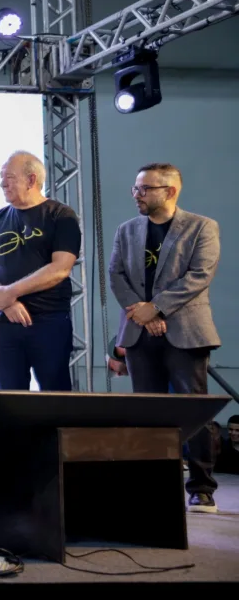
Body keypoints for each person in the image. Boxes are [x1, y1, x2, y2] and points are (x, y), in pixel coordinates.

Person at [109, 162, 222, 513]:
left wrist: (156, 309)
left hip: (186, 331)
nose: (137, 195)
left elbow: (199, 275)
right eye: (135, 188)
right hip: (139, 332)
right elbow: (116, 275)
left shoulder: (202, 227)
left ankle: (201, 487)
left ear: (170, 191)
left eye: (145, 189)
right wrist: (141, 313)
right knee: (148, 411)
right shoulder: (127, 230)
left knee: (193, 410)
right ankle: (154, 483)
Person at [0, 150, 80, 391]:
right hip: (4, 321)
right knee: (10, 397)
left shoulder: (60, 215)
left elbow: (61, 268)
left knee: (56, 397)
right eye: (2, 177)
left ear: (31, 179)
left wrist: (11, 292)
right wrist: (6, 302)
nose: (2, 184)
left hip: (49, 320)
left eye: (9, 177)